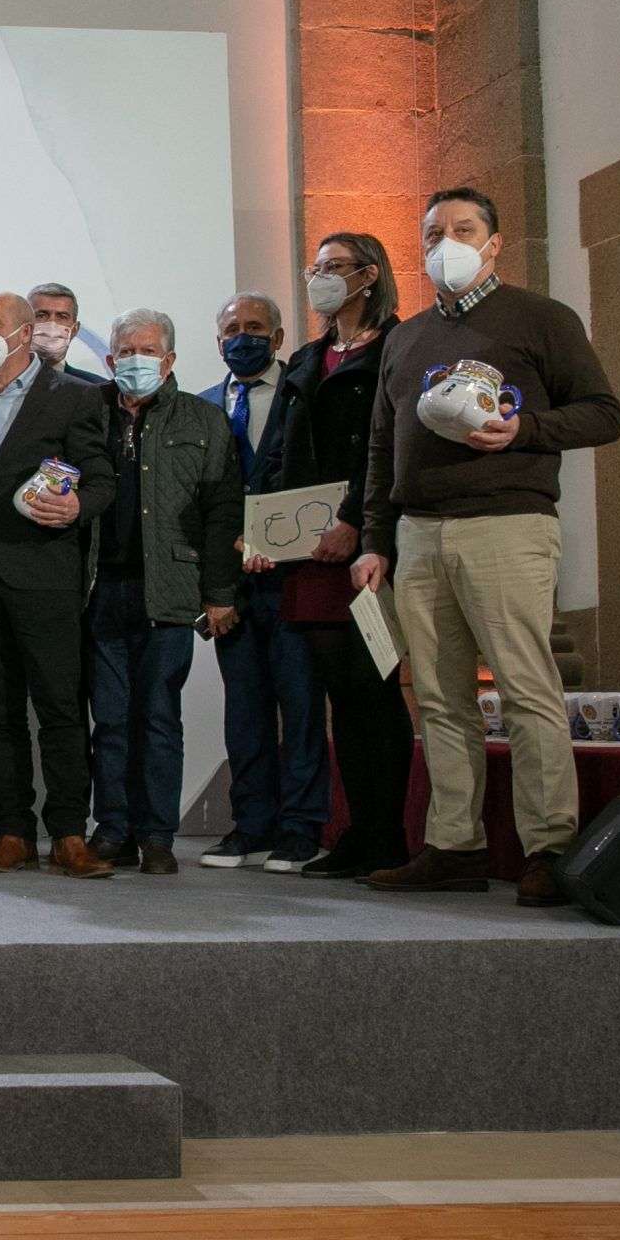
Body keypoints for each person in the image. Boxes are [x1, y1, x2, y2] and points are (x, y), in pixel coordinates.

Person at [354, 186, 620, 906]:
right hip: (418, 531)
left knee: (527, 690)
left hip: (506, 521)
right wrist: (375, 538)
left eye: (464, 229)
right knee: (440, 698)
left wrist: (524, 430)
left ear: (495, 243)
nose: (447, 242)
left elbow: (604, 414)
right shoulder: (406, 338)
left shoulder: (541, 318)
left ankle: (549, 847)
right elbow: (381, 446)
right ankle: (454, 845)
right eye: (434, 232)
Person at [0, 290, 117, 878]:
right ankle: (12, 831)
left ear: (23, 332)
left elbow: (101, 479)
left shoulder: (75, 396)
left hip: (44, 574)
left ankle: (69, 834)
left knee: (60, 709)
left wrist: (76, 509)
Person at [255, 233, 410, 879]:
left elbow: (394, 445)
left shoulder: (397, 347)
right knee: (340, 694)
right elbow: (277, 452)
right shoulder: (306, 359)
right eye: (314, 267)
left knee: (375, 688)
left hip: (368, 543)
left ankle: (387, 835)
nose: (319, 277)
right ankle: (357, 832)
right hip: (309, 550)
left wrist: (356, 521)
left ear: (368, 275)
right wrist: (259, 528)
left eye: (333, 267)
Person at [84, 310, 242, 875]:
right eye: (126, 351)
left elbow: (222, 511)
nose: (136, 361)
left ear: (170, 360)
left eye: (148, 351)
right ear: (110, 359)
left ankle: (156, 835)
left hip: (171, 591)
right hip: (100, 589)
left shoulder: (203, 419)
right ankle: (113, 829)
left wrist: (220, 592)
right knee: (109, 719)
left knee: (157, 717)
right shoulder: (88, 415)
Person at [195, 291, 332, 873]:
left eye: (254, 328)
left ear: (277, 339)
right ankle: (251, 825)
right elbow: (198, 500)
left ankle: (300, 829)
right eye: (232, 330)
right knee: (244, 712)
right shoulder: (202, 407)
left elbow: (319, 478)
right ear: (217, 340)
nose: (242, 338)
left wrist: (279, 542)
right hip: (231, 587)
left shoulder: (304, 396)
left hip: (295, 577)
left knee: (300, 707)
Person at [28, 282, 108, 386]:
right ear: (24, 326)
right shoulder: (6, 382)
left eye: (62, 317)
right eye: (41, 315)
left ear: (75, 330)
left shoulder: (97, 387)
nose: (52, 323)